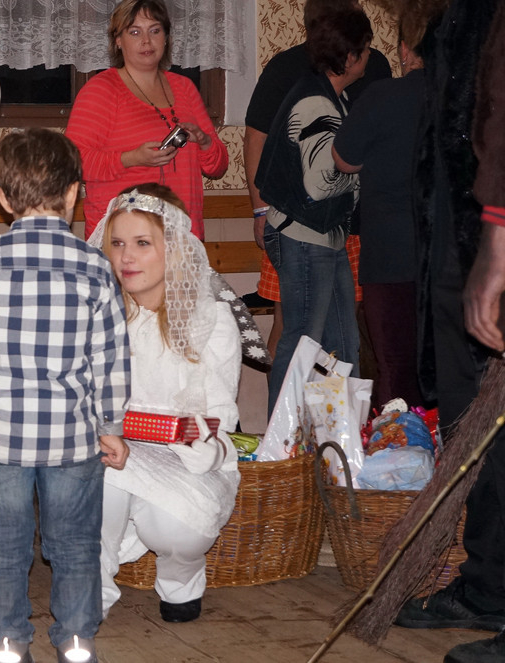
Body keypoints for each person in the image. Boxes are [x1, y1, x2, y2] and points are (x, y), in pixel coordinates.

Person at [0, 128, 131, 663]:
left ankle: (8, 644)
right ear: (73, 193)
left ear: (3, 198)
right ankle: (75, 642)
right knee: (75, 546)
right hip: (73, 439)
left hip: (0, 438)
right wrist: (110, 425)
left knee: (3, 547)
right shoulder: (94, 265)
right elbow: (110, 358)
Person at [390, 2, 505, 662]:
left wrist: (494, 242)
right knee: (473, 432)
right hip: (455, 251)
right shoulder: (448, 19)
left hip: (488, 243)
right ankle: (490, 585)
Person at [86, 183, 241, 624]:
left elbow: (218, 414)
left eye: (142, 243)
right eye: (117, 243)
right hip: (114, 453)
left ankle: (180, 578)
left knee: (176, 528)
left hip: (182, 460)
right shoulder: (100, 317)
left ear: (173, 250)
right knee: (99, 476)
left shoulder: (210, 321)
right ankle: (90, 592)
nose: (126, 257)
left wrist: (210, 446)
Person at [243, 0, 390, 363]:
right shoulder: (291, 73)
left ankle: (332, 402)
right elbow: (258, 138)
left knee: (342, 334)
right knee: (295, 330)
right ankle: (286, 402)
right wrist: (260, 208)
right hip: (299, 224)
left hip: (351, 223)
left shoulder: (373, 68)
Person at [66, 0, 228, 241]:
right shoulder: (101, 90)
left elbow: (218, 166)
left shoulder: (185, 88)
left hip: (182, 238)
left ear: (166, 37)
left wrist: (204, 142)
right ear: (117, 40)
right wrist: (131, 159)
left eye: (155, 30)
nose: (146, 41)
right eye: (135, 32)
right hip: (123, 241)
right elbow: (72, 162)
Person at [332, 15, 429, 408]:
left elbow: (343, 159)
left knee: (396, 369)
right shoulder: (465, 95)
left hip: (390, 255)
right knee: (449, 371)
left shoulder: (382, 95)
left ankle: (402, 443)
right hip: (450, 259)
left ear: (404, 50)